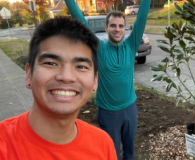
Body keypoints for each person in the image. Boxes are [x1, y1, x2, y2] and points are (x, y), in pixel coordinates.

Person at [0, 17, 117, 160]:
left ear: (95, 82)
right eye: (51, 63)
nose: (66, 77)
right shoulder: (4, 144)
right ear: (29, 75)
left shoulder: (103, 144)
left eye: (81, 66)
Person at [64, 0, 151, 159]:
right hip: (108, 112)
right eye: (113, 25)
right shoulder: (99, 48)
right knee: (111, 152)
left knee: (130, 152)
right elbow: (80, 19)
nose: (117, 29)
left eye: (120, 26)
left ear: (124, 29)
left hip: (130, 109)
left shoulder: (131, 46)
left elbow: (142, 17)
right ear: (106, 28)